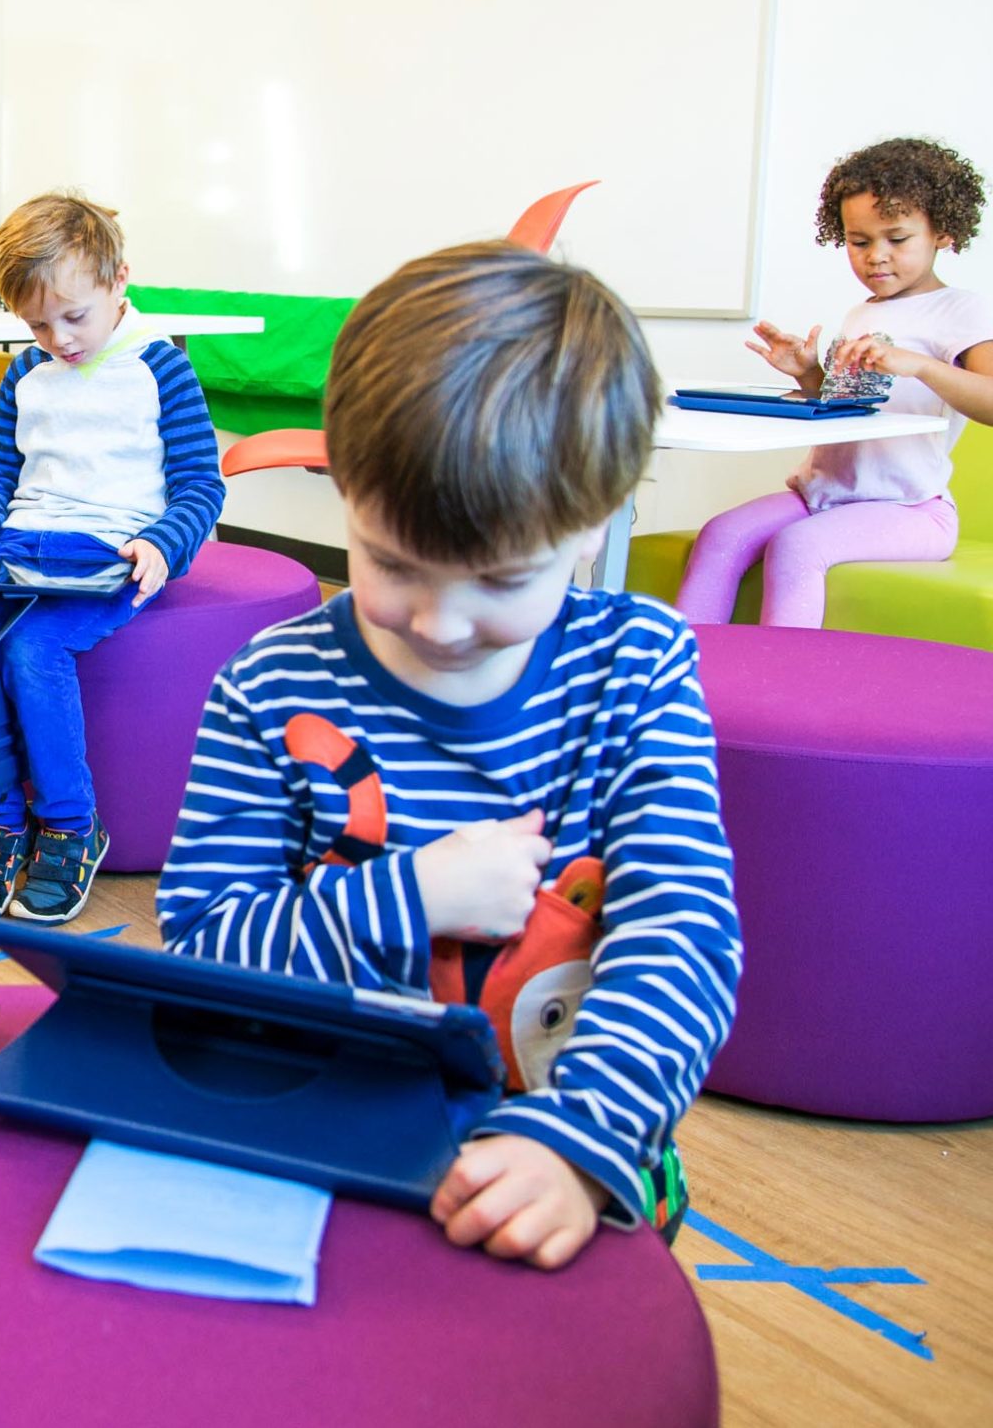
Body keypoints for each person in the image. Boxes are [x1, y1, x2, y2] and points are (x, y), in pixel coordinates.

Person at [157, 241, 742, 1271]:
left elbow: (680, 934)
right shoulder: (268, 685)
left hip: (568, 1143)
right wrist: (412, 895)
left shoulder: (638, 669)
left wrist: (579, 1141)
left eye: (500, 582)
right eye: (389, 562)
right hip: (321, 1139)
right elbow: (204, 945)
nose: (436, 621)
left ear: (591, 527)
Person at [0, 191, 224, 925]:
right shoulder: (25, 374)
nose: (58, 339)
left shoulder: (162, 369)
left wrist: (163, 543)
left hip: (110, 554)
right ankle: (1, 821)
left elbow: (199, 485)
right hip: (22, 548)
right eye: (36, 323)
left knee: (33, 651)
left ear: (119, 280)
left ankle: (69, 827)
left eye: (74, 317)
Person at [676, 137, 993, 628]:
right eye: (859, 242)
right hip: (823, 493)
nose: (875, 257)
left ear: (942, 232)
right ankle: (675, 678)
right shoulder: (862, 313)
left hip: (910, 508)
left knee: (797, 546)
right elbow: (850, 408)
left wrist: (920, 364)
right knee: (722, 534)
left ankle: (778, 689)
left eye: (896, 239)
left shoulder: (961, 310)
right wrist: (809, 374)